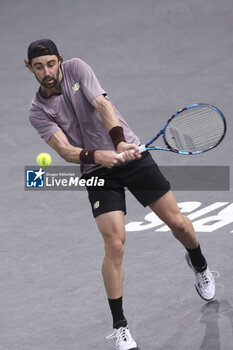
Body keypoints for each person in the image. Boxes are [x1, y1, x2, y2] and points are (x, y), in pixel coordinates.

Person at [25, 39, 215, 350]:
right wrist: (99, 157)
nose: (46, 71)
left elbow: (101, 104)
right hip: (96, 170)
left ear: (59, 60)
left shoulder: (77, 68)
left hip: (129, 153)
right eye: (38, 67)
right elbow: (65, 150)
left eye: (50, 64)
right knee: (114, 244)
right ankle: (120, 326)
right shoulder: (37, 112)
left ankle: (200, 264)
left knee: (177, 223)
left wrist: (119, 142)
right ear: (30, 68)